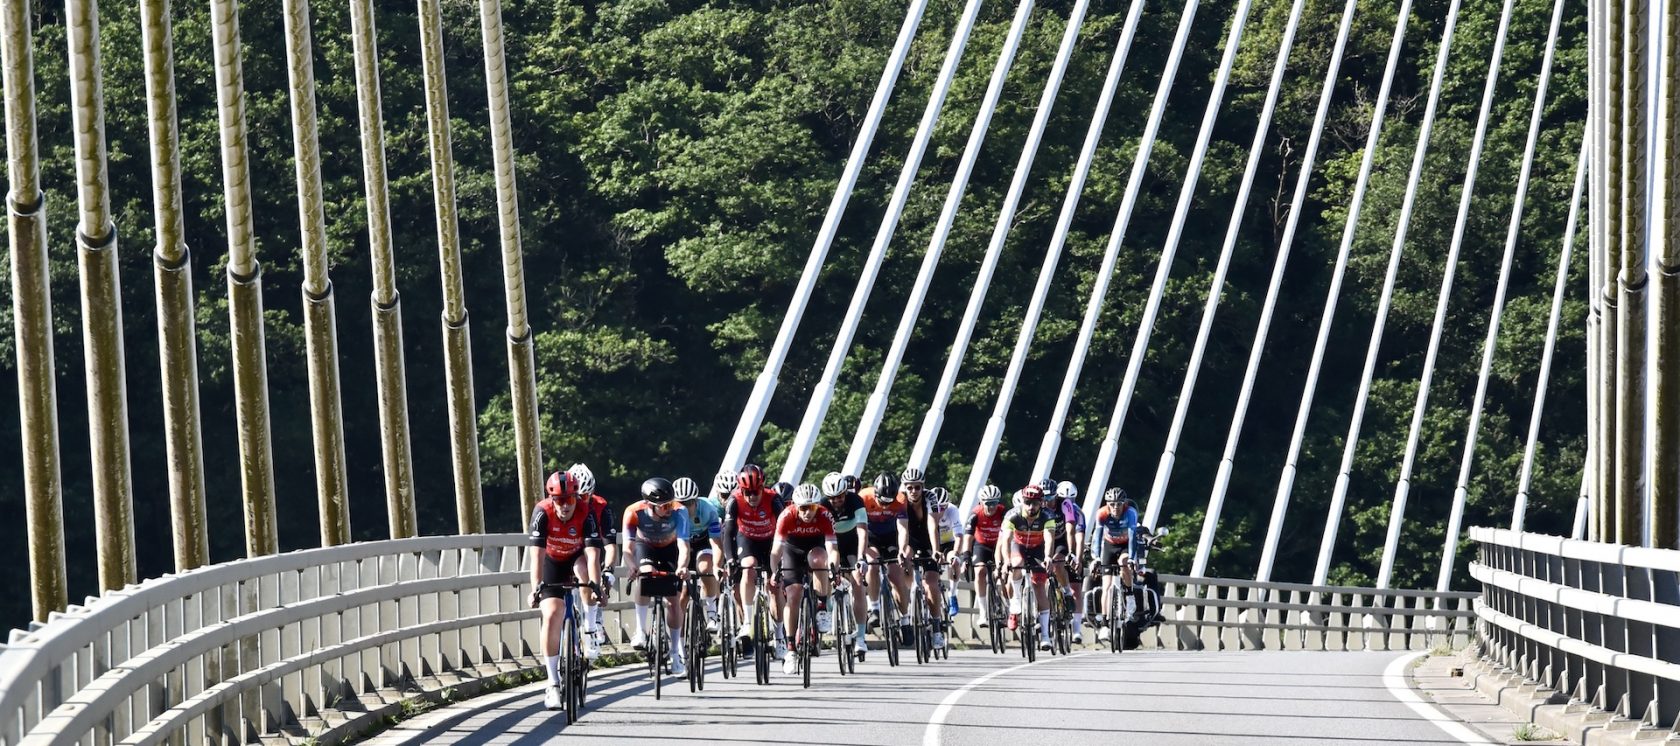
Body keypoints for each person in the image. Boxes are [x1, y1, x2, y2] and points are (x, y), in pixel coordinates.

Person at [528, 471, 599, 709]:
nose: (565, 506)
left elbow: (592, 554)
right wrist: (536, 588)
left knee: (586, 576)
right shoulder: (542, 512)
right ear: (552, 500)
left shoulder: (585, 512)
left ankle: (589, 630)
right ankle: (553, 683)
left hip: (578, 557)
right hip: (552, 561)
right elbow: (536, 556)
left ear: (576, 498)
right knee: (551, 614)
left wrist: (596, 586)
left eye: (570, 500)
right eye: (559, 500)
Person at [621, 478, 692, 677]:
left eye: (671, 503)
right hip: (647, 547)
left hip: (670, 548)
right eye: (664, 505)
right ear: (650, 505)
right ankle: (640, 630)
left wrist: (682, 566)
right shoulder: (633, 512)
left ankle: (676, 653)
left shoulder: (680, 511)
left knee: (673, 601)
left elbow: (683, 546)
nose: (670, 508)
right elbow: (628, 547)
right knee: (644, 576)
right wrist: (632, 565)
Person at [769, 484, 840, 675]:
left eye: (812, 507)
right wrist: (774, 572)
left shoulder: (825, 515)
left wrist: (834, 569)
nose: (808, 513)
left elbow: (832, 549)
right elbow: (776, 551)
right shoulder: (786, 516)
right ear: (795, 506)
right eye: (803, 508)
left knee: (819, 559)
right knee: (793, 594)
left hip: (816, 547)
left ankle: (822, 607)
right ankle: (791, 649)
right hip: (793, 550)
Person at [723, 464, 787, 659]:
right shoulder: (734, 501)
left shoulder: (774, 499)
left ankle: (779, 635)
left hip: (771, 541)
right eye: (747, 492)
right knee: (748, 567)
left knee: (775, 586)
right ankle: (748, 622)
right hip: (747, 539)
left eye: (755, 492)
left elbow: (785, 529)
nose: (752, 496)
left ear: (763, 488)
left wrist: (784, 557)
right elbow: (728, 532)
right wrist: (730, 559)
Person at [997, 483, 1059, 651]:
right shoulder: (1013, 515)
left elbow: (1049, 538)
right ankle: (1016, 600)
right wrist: (1005, 561)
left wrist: (1048, 557)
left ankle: (1045, 636)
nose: (1031, 507)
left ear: (1042, 503)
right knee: (1016, 564)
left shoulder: (1047, 515)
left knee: (1039, 587)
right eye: (1027, 502)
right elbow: (1006, 540)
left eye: (1035, 503)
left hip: (1038, 549)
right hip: (1019, 547)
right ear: (1022, 502)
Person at [821, 471, 871, 659]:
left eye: (840, 496)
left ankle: (860, 637)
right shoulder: (822, 505)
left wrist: (861, 558)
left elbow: (862, 531)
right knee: (823, 571)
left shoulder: (855, 501)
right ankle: (824, 606)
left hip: (851, 543)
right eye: (833, 498)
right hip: (831, 542)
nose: (837, 501)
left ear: (846, 493)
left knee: (858, 580)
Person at [859, 472, 912, 645]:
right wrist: (863, 551)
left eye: (889, 502)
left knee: (896, 577)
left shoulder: (901, 500)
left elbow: (903, 529)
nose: (884, 505)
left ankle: (905, 620)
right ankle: (873, 608)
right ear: (875, 494)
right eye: (881, 501)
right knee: (873, 565)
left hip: (891, 536)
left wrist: (902, 550)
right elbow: (859, 529)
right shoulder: (863, 498)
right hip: (870, 536)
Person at [569, 463, 616, 655]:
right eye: (577, 497)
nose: (581, 501)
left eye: (585, 496)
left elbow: (610, 545)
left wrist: (609, 570)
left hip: (590, 551)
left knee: (592, 575)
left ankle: (592, 622)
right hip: (566, 550)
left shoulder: (600, 507)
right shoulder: (561, 506)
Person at [898, 467, 947, 651]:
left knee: (931, 584)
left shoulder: (930, 498)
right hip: (911, 539)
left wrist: (936, 550)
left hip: (928, 539)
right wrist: (902, 550)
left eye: (917, 487)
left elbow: (932, 525)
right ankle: (911, 594)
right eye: (909, 487)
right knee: (906, 558)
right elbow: (902, 528)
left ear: (922, 487)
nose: (913, 491)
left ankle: (935, 628)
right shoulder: (900, 500)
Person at [674, 477, 725, 633]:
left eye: (689, 503)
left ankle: (711, 612)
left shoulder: (709, 510)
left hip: (703, 542)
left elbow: (716, 544)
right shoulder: (671, 512)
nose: (685, 507)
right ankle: (679, 640)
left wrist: (716, 566)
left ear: (696, 501)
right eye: (681, 503)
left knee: (705, 568)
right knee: (682, 593)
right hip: (682, 545)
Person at [1091, 487, 1140, 643]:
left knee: (1123, 562)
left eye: (1119, 504)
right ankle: (1105, 624)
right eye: (1112, 504)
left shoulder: (1130, 513)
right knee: (1106, 586)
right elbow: (1097, 537)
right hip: (1109, 546)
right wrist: (1096, 557)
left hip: (1125, 545)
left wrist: (1132, 558)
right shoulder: (1102, 514)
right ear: (1107, 504)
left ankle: (1130, 594)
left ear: (1124, 504)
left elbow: (1132, 537)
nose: (1116, 508)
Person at [961, 485, 1007, 627]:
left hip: (999, 545)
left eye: (994, 503)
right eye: (988, 503)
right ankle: (982, 612)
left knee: (1004, 573)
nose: (992, 507)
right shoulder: (975, 514)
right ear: (981, 502)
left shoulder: (1003, 512)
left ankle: (1008, 605)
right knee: (980, 571)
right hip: (982, 545)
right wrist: (966, 557)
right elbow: (968, 537)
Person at [1051, 480, 1088, 644]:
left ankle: (1077, 629)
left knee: (1076, 589)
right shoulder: (1048, 508)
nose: (1069, 503)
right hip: (1051, 545)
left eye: (1072, 500)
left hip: (1068, 545)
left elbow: (1079, 538)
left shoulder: (1078, 513)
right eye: (1065, 499)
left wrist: (1078, 558)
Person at [928, 486, 964, 621]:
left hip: (948, 543)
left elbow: (959, 535)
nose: (940, 511)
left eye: (943, 507)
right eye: (937, 508)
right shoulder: (926, 510)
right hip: (931, 543)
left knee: (954, 562)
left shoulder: (952, 510)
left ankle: (952, 595)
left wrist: (955, 553)